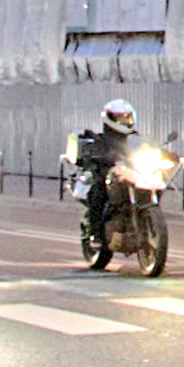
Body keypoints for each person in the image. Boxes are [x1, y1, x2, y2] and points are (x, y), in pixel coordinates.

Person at [68, 98, 142, 266]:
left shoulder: (135, 139)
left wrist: (165, 154)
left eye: (127, 117)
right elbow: (90, 151)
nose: (126, 121)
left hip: (129, 174)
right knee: (99, 191)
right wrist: (94, 156)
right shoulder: (100, 139)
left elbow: (148, 149)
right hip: (106, 173)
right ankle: (96, 235)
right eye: (121, 118)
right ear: (111, 119)